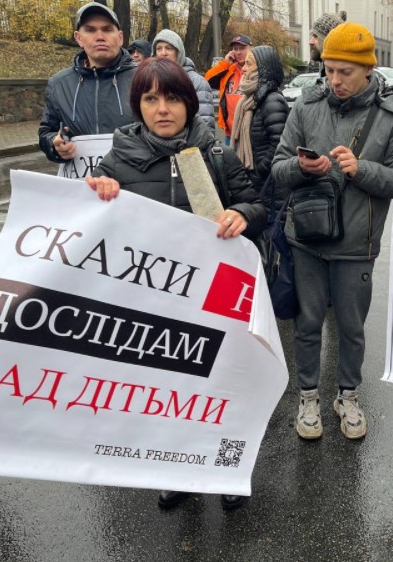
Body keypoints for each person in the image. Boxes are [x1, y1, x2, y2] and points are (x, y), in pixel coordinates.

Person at [85, 57, 266, 511]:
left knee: (223, 385)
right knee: (170, 390)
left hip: (214, 296)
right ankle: (179, 469)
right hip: (154, 300)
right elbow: (93, 224)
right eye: (150, 99)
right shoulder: (118, 160)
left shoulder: (216, 152)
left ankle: (228, 468)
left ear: (187, 102)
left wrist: (242, 214)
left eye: (171, 98)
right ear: (138, 106)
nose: (162, 109)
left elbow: (256, 203)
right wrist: (99, 193)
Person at [271, 22, 393, 441]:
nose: (334, 79)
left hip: (357, 244)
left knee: (352, 328)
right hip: (307, 238)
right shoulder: (307, 105)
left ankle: (348, 396)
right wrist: (301, 167)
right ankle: (308, 397)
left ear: (368, 69)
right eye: (329, 69)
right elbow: (278, 169)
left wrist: (362, 169)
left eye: (345, 72)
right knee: (307, 325)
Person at [38, 2, 136, 168]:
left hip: (133, 180)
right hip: (82, 182)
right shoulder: (59, 84)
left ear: (120, 37)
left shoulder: (145, 78)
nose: (100, 37)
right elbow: (46, 132)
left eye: (107, 29)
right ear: (79, 38)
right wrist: (55, 145)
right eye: (90, 30)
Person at [230, 45, 289, 211]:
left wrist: (259, 172)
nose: (244, 69)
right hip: (260, 183)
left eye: (249, 64)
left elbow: (279, 144)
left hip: (270, 187)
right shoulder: (252, 100)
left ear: (263, 68)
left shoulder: (271, 100)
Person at [152, 29, 216, 131]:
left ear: (179, 52)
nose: (163, 53)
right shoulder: (151, 81)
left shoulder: (197, 83)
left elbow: (205, 128)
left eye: (169, 48)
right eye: (159, 48)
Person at [205, 34, 253, 143]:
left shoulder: (255, 70)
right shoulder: (228, 70)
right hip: (230, 134)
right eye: (235, 49)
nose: (238, 52)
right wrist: (225, 63)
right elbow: (206, 80)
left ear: (251, 48)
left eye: (242, 48)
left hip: (251, 134)